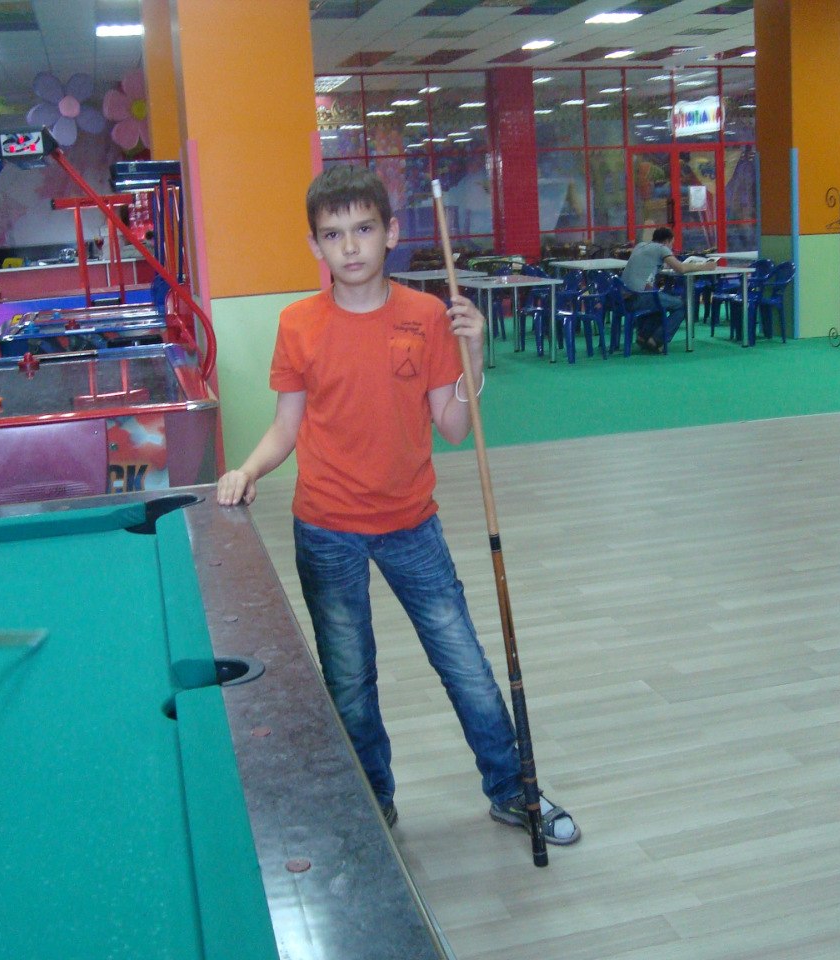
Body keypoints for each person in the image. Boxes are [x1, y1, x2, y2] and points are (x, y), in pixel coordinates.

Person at [216, 166, 579, 847]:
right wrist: (248, 469)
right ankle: (372, 800)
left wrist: (474, 354)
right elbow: (286, 426)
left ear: (389, 233)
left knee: (465, 664)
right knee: (350, 679)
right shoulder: (297, 324)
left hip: (412, 523)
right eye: (333, 235)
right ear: (315, 245)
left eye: (363, 229)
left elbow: (454, 426)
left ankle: (513, 790)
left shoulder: (426, 316)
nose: (350, 246)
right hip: (326, 528)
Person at [620, 226, 715, 352]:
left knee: (660, 301)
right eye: (671, 244)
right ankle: (657, 340)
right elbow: (681, 268)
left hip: (622, 298)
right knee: (682, 306)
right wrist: (705, 266)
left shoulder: (640, 245)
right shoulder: (661, 248)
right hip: (637, 298)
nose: (671, 248)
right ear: (666, 241)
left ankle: (643, 336)